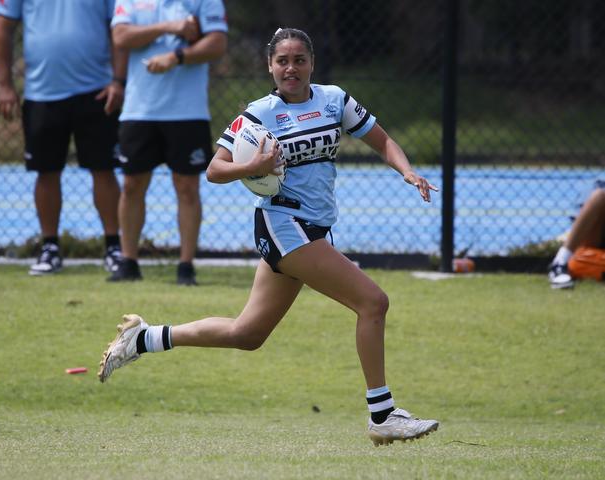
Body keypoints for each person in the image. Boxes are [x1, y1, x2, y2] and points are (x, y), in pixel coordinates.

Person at [98, 28, 439, 446]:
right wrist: (252, 166)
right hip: (284, 227)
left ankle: (146, 338)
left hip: (313, 228)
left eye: (299, 60)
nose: (290, 68)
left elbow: (382, 141)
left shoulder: (335, 100)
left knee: (247, 334)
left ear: (312, 63)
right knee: (373, 302)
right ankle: (382, 415)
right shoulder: (259, 113)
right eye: (282, 61)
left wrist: (406, 171)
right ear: (270, 66)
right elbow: (215, 169)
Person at [0, 0, 127, 276]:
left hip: (97, 91)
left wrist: (118, 80)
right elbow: (2, 28)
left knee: (103, 169)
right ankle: (50, 247)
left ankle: (114, 247)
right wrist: (4, 84)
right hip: (42, 93)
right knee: (46, 171)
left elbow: (118, 28)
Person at [107, 0, 228, 285]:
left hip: (188, 110)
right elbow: (121, 37)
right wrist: (169, 27)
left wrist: (176, 56)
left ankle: (186, 266)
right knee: (132, 184)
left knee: (187, 188)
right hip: (139, 109)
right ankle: (128, 262)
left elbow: (217, 43)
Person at [548, 180, 605, 289]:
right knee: (600, 196)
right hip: (593, 245)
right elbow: (580, 225)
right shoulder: (599, 184)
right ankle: (559, 264)